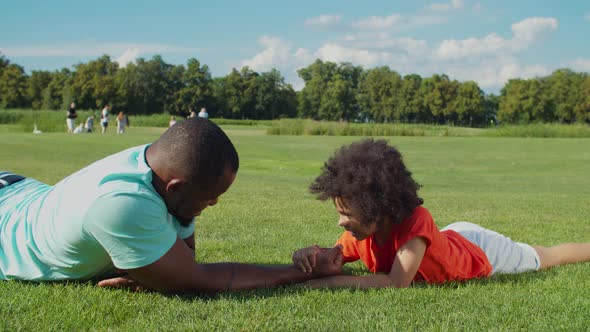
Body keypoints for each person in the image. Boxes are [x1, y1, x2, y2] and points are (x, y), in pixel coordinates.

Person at [0, 118, 342, 294]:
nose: (214, 203)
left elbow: (184, 257)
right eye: (208, 197)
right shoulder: (122, 203)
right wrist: (301, 272)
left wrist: (157, 270)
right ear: (176, 186)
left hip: (23, 190)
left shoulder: (160, 168)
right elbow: (195, 279)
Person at [292, 139, 590, 289]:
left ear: (378, 209)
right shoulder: (359, 232)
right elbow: (334, 256)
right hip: (447, 237)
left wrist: (329, 283)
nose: (341, 222)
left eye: (347, 215)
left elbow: (396, 282)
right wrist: (313, 255)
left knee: (546, 256)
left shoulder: (415, 220)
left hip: (479, 251)